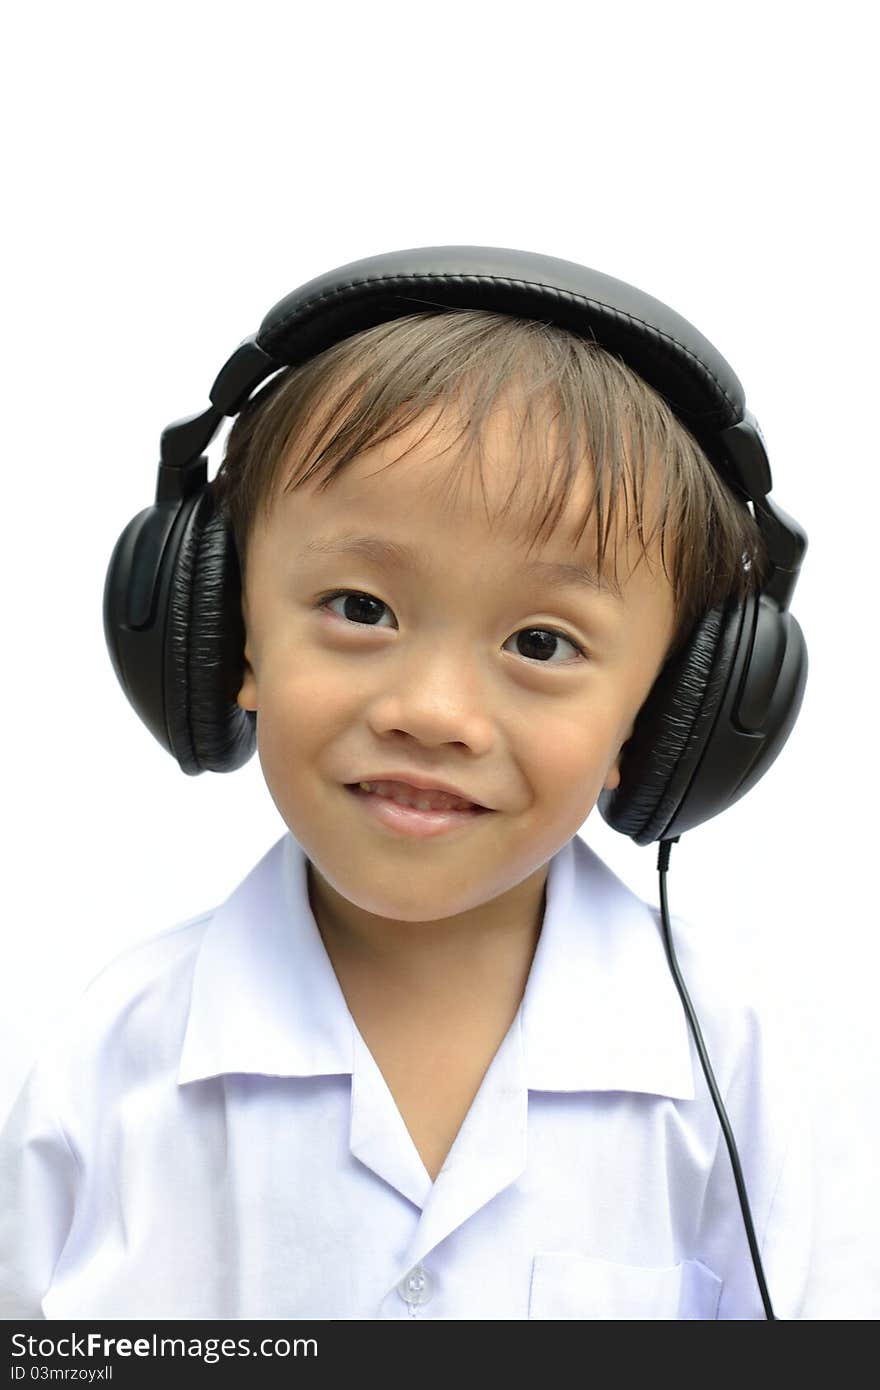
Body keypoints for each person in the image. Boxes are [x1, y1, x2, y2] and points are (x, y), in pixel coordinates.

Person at [0, 253, 815, 1320]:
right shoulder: (113, 1062)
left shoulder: (718, 1064)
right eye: (359, 607)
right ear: (223, 638)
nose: (430, 710)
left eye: (540, 640)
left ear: (665, 720)